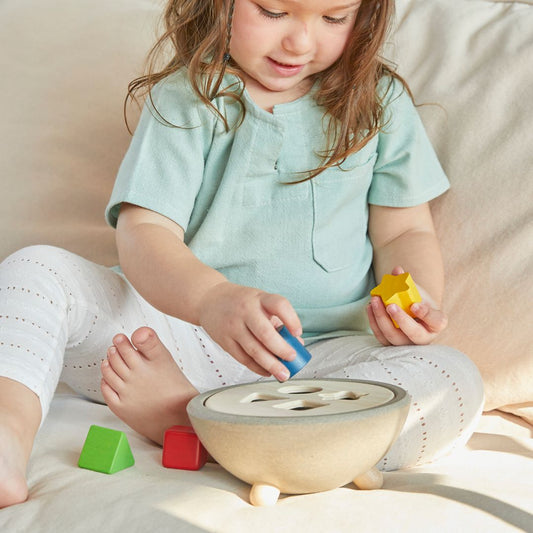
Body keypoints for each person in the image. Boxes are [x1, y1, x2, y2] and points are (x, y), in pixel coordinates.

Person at [0, 0, 484, 508]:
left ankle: (191, 419)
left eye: (334, 18)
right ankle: (8, 436)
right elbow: (145, 232)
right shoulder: (188, 98)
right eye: (273, 11)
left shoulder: (378, 100)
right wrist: (210, 299)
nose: (300, 42)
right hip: (178, 339)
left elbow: (404, 230)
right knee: (35, 270)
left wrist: (414, 301)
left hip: (327, 365)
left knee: (452, 379)